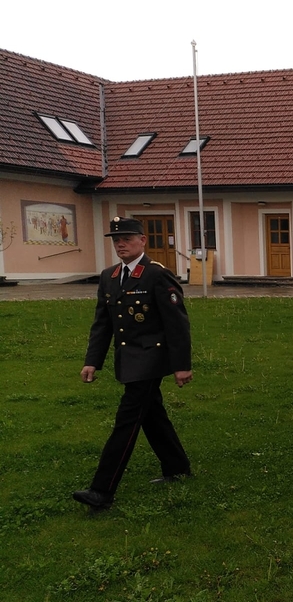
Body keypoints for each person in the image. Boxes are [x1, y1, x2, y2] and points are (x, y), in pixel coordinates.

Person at [73, 216, 193, 512]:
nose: (120, 244)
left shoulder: (156, 275)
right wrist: (92, 361)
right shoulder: (109, 276)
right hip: (128, 360)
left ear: (143, 241)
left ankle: (102, 490)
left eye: (126, 239)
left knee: (126, 422)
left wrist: (181, 365)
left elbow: (177, 324)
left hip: (151, 360)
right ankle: (177, 467)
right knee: (152, 415)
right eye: (116, 240)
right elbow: (103, 324)